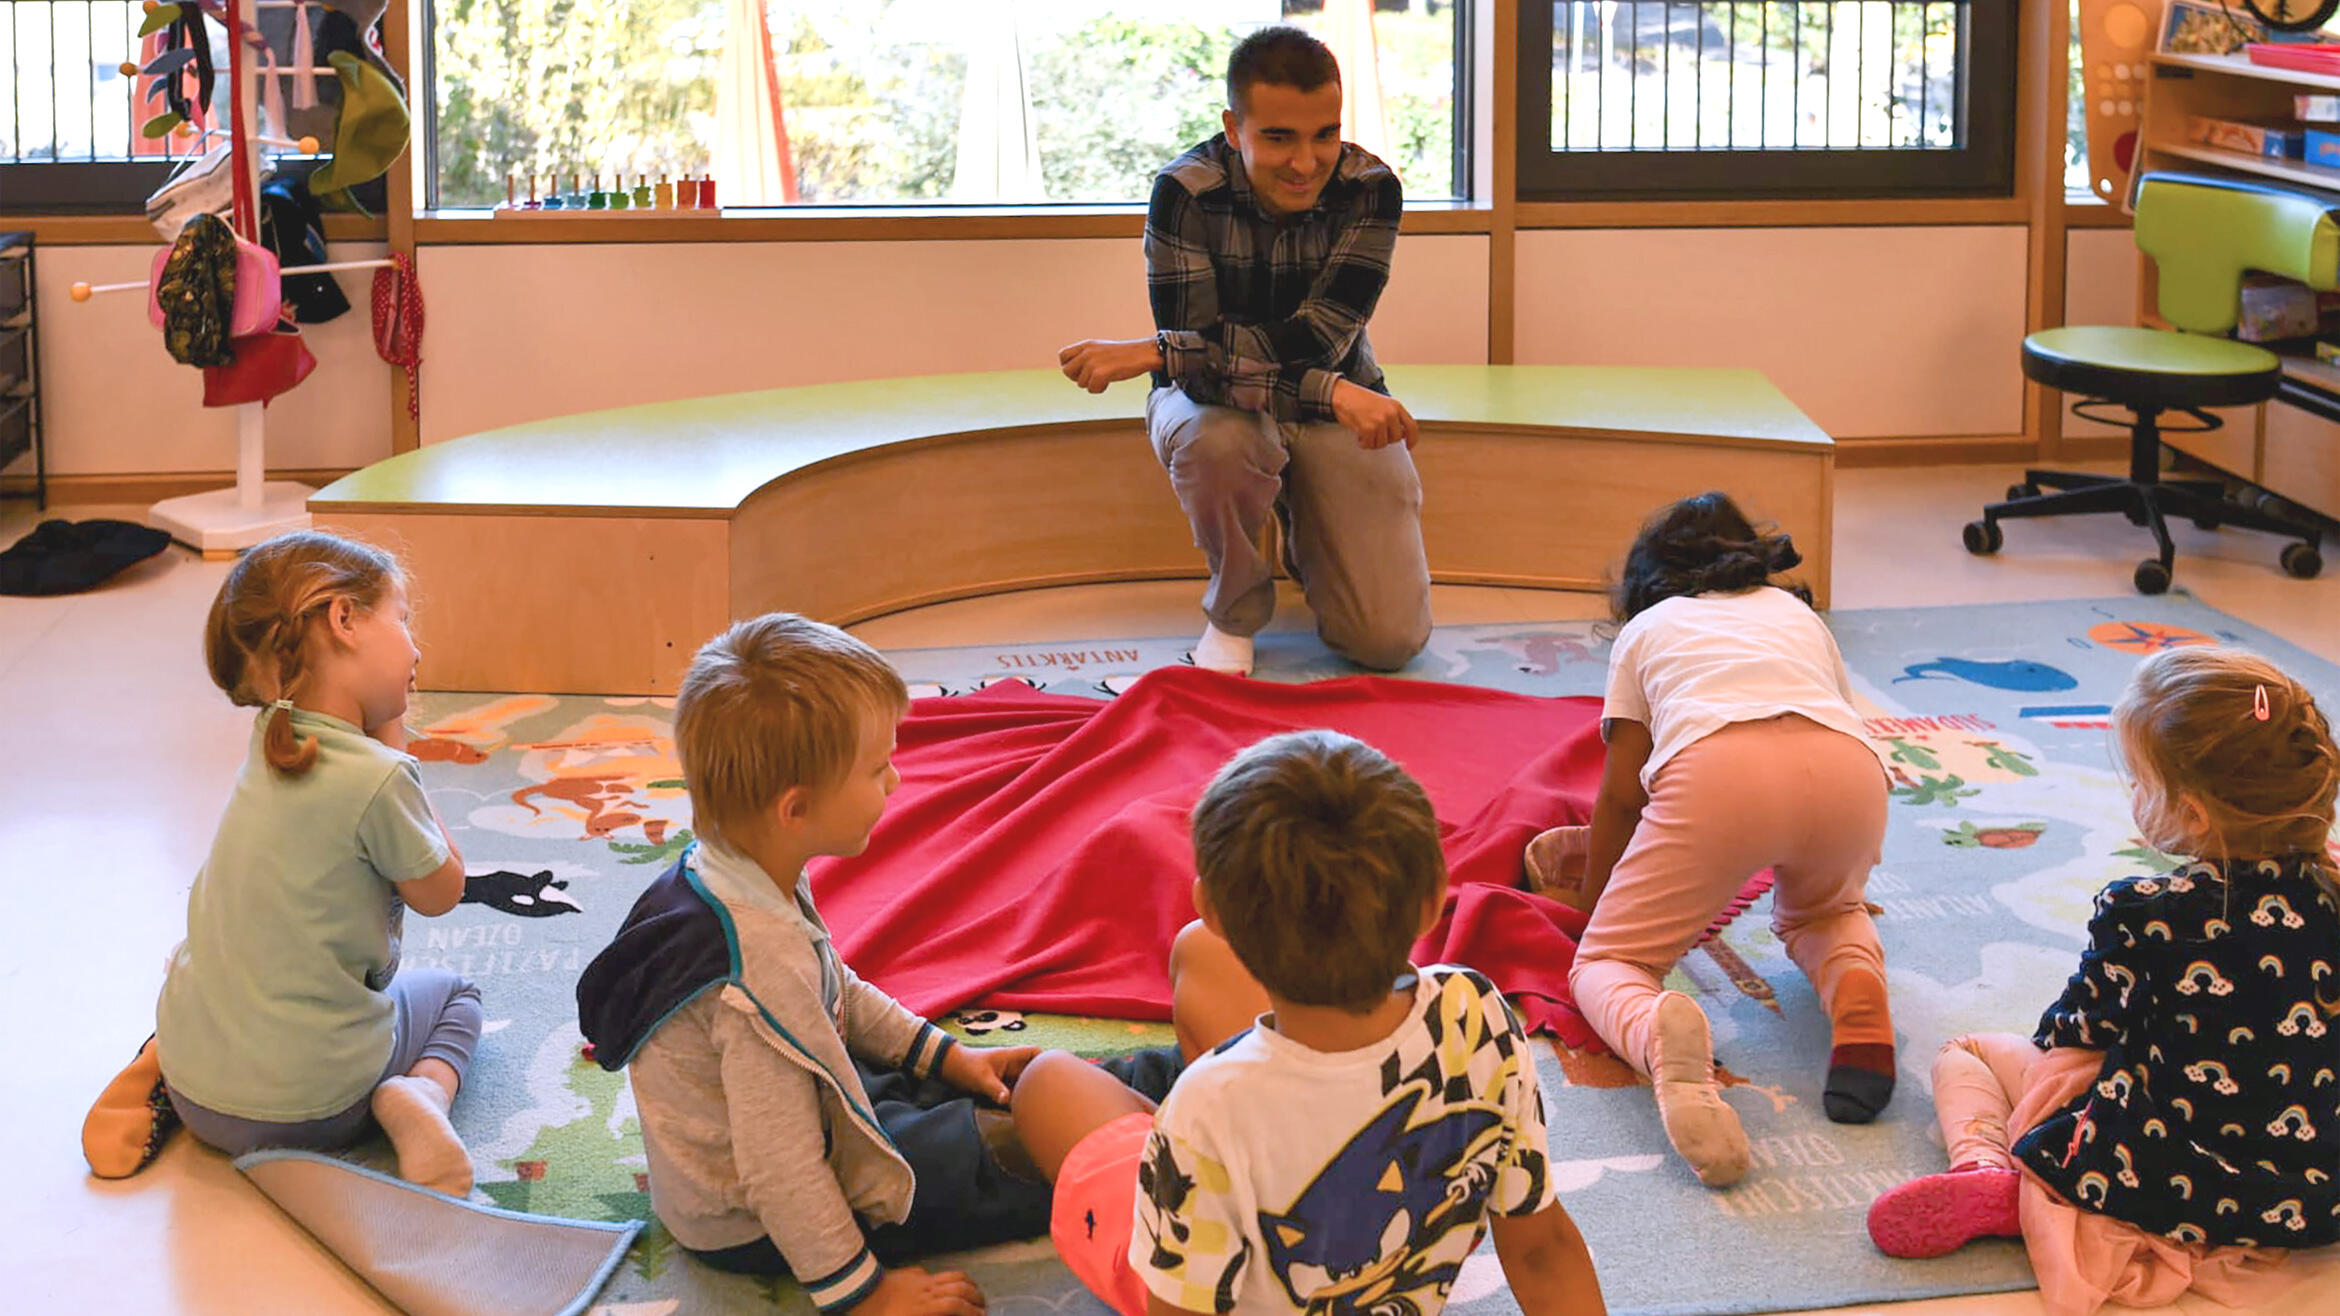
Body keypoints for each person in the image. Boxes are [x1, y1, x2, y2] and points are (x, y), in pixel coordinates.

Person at [575, 614, 1173, 1315]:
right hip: (756, 1221)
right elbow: (783, 1173)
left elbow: (839, 991)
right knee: (1008, 1148)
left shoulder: (740, 869)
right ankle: (1180, 1140)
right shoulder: (752, 976)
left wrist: (949, 1059)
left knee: (1019, 1087)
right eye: (876, 768)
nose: (896, 778)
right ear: (795, 809)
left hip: (823, 1093)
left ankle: (1182, 1076)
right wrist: (866, 1294)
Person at [1009, 730, 1606, 1316]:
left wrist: (1180, 1153)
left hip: (1211, 1238)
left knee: (1047, 1080)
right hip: (1393, 1249)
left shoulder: (1207, 1106)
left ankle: (1161, 1148)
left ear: (1213, 908)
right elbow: (1543, 1253)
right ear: (1432, 901)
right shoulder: (1476, 1012)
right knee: (1198, 957)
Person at [1867, 646, 2340, 1316]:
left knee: (1969, 1052)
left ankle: (1994, 1174)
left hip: (2148, 1171)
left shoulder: (2147, 910)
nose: (2137, 797)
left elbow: (2072, 1031)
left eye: (2144, 785)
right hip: (2308, 1192)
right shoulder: (2331, 894)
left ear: (2195, 814)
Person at [1526, 491, 1895, 1188]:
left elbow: (1621, 794)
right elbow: (1833, 715)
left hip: (1723, 775)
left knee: (1610, 963)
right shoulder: (1795, 615)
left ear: (1645, 584)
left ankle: (1662, 1036)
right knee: (1825, 913)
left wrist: (1593, 914)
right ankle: (1858, 989)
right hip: (1852, 771)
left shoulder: (1649, 630)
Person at [1057, 25, 1430, 678]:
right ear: (1235, 129)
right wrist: (1332, 390)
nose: (1307, 162)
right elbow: (1201, 378)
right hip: (1225, 402)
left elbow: (1320, 338)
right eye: (1279, 137)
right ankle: (1233, 610)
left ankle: (1308, 528)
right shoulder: (1184, 193)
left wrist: (1154, 352)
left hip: (1333, 400)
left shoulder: (1372, 189)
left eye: (1325, 134)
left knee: (1387, 642)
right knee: (1222, 441)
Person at [155, 530, 480, 1196]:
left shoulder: (267, 744)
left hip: (197, 1095)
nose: (415, 648)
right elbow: (444, 888)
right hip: (316, 1108)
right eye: (402, 620)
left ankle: (151, 1067)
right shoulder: (377, 777)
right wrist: (395, 746)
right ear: (344, 619)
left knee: (246, 964)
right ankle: (420, 1098)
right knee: (457, 996)